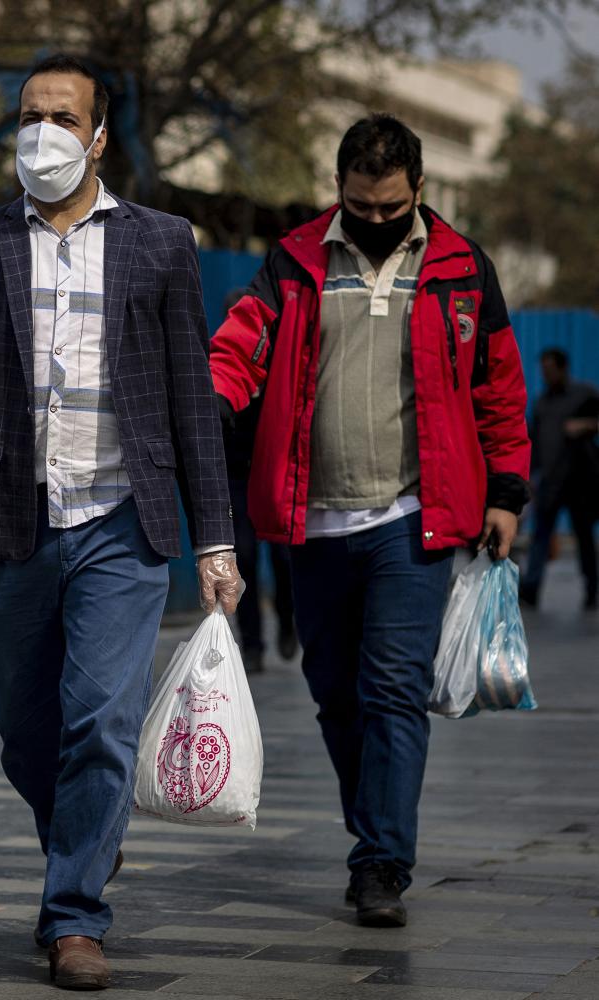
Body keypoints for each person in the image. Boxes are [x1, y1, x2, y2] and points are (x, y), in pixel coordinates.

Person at [0, 56, 243, 992]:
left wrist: (216, 539)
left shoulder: (161, 243)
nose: (43, 134)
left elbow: (192, 397)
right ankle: (85, 836)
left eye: (63, 117)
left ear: (100, 134)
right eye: (29, 115)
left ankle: (74, 917)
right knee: (25, 729)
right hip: (6, 520)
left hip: (120, 521)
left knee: (100, 720)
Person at [211, 114, 530, 929]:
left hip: (412, 520)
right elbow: (242, 344)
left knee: (391, 691)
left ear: (418, 190)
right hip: (310, 521)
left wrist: (507, 493)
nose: (376, 220)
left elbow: (498, 388)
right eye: (360, 205)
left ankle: (382, 861)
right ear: (340, 190)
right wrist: (208, 397)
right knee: (334, 694)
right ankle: (374, 828)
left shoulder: (462, 267)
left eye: (391, 208)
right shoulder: (294, 260)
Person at [218, 288, 297, 674]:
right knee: (243, 560)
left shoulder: (280, 368)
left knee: (284, 559)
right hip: (235, 478)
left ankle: (287, 620)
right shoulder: (220, 368)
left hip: (271, 476)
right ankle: (252, 645)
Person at [520, 347, 599, 610]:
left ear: (563, 369)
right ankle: (531, 589)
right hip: (550, 483)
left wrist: (586, 425)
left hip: (580, 482)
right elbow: (534, 441)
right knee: (540, 537)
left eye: (550, 369)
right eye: (543, 370)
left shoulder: (584, 394)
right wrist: (530, 475)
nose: (546, 375)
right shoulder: (543, 402)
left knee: (584, 537)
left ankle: (592, 589)